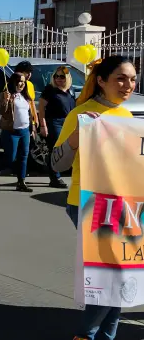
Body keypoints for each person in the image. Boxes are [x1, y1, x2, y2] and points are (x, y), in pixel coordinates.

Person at [52, 55, 136, 340]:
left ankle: (105, 336)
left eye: (133, 79)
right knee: (113, 276)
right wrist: (78, 135)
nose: (128, 85)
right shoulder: (82, 113)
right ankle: (86, 335)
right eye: (121, 79)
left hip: (125, 205)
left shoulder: (126, 116)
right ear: (101, 80)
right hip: (89, 203)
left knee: (124, 275)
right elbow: (56, 163)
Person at [0, 72, 35, 192]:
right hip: (11, 131)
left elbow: (29, 113)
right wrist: (6, 101)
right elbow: (1, 111)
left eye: (24, 82)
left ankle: (21, 182)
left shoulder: (25, 96)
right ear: (14, 82)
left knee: (24, 156)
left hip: (24, 131)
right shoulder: (6, 94)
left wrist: (32, 127)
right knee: (10, 158)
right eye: (20, 81)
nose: (22, 84)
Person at [38, 65, 75, 189]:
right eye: (56, 76)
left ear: (67, 78)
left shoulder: (70, 90)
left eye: (62, 76)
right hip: (54, 122)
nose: (59, 79)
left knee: (68, 149)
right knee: (55, 149)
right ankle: (55, 178)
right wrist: (43, 125)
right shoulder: (50, 89)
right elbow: (41, 108)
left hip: (68, 122)